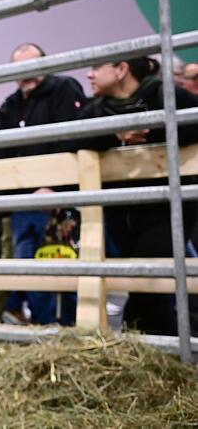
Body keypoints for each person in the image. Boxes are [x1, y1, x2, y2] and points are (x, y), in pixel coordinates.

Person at [77, 56, 198, 336]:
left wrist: (153, 128)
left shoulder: (166, 95)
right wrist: (116, 136)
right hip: (120, 210)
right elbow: (71, 141)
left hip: (166, 206)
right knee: (144, 283)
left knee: (150, 281)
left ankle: (141, 338)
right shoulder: (95, 109)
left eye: (97, 68)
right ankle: (160, 347)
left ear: (121, 70)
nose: (89, 75)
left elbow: (193, 125)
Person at [0, 43, 86, 325]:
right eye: (19, 69)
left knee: (61, 259)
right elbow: (0, 151)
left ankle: (66, 325)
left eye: (31, 66)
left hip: (59, 198)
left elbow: (73, 137)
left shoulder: (65, 89)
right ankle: (40, 324)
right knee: (26, 264)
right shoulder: (10, 105)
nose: (26, 74)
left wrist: (55, 186)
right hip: (22, 201)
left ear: (45, 65)